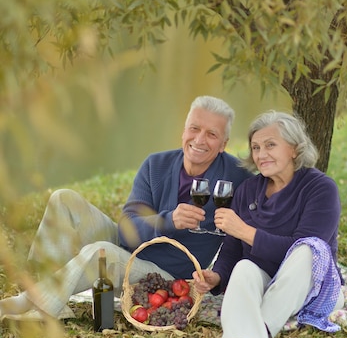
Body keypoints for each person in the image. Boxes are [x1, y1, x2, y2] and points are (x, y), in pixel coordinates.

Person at [0, 95, 252, 320]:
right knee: (63, 199)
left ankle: (31, 303)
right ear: (183, 131)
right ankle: (54, 297)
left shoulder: (238, 178)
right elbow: (125, 229)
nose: (199, 139)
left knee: (102, 252)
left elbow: (242, 238)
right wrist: (168, 221)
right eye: (194, 128)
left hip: (163, 276)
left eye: (212, 134)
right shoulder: (156, 164)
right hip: (127, 247)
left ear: (223, 143)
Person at [192, 110, 345, 338]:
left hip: (310, 288)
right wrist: (215, 277)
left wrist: (246, 231)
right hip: (264, 283)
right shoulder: (248, 190)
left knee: (310, 249)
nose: (261, 154)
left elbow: (307, 251)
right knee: (244, 268)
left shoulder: (320, 188)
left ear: (295, 149)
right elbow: (231, 251)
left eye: (270, 145)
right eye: (256, 147)